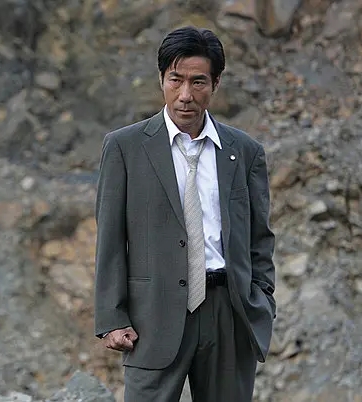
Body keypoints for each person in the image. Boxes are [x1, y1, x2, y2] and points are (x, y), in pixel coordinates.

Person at [94, 26, 276, 402]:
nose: (185, 95)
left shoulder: (244, 152)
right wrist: (112, 317)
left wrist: (262, 299)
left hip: (228, 312)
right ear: (162, 79)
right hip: (151, 316)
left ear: (216, 83)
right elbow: (109, 239)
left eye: (198, 82)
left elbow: (260, 238)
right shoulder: (125, 147)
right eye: (175, 80)